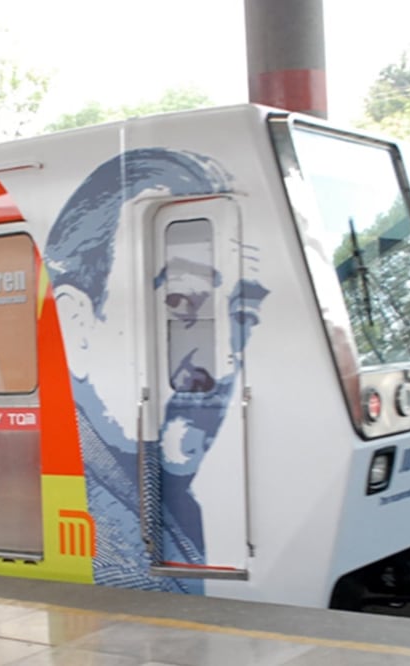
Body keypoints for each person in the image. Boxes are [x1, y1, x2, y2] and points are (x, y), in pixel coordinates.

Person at [44, 147, 268, 593]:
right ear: (77, 326)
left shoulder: (159, 496)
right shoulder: (111, 550)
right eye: (180, 304)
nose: (225, 364)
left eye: (242, 317)